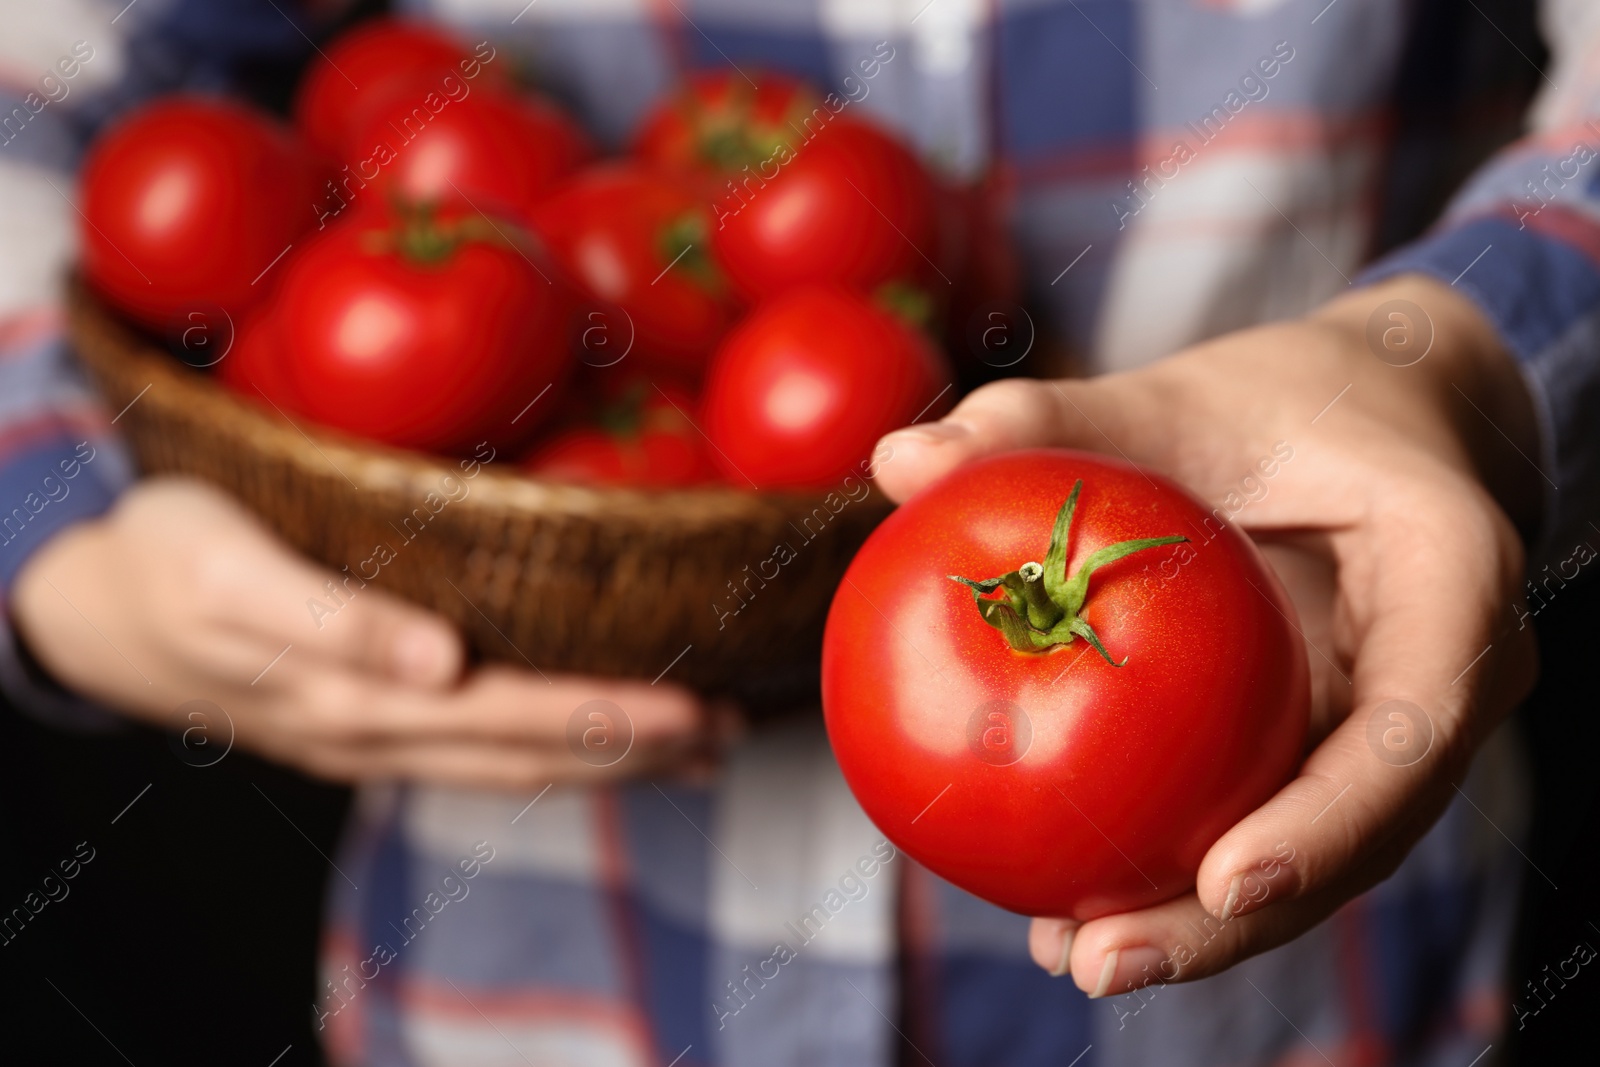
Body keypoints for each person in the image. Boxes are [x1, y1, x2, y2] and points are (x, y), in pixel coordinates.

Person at [0, 0, 1585, 1063]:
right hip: (526, 987)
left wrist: (1462, 358)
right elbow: (50, 53)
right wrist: (56, 530)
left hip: (1306, 993)